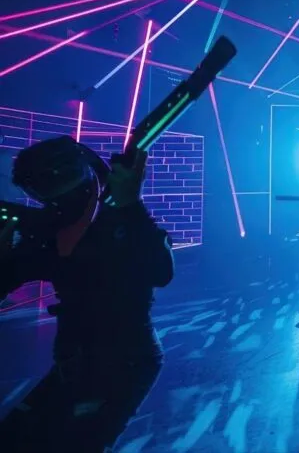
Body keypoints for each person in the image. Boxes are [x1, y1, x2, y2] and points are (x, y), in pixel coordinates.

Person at [0, 136, 173, 452]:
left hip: (124, 364)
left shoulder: (120, 224)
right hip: (77, 363)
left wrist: (132, 205)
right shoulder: (50, 231)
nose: (57, 193)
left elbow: (160, 271)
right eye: (42, 186)